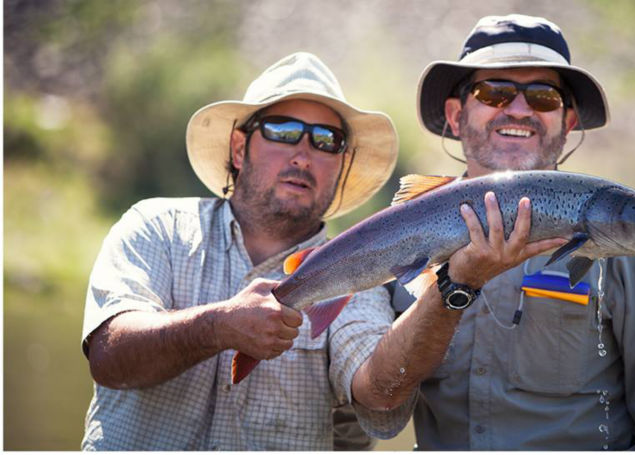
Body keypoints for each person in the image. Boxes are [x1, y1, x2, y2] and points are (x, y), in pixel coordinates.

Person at [385, 14, 635, 450]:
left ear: (566, 123)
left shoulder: (621, 244)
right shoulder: (398, 233)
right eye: (494, 92)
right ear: (455, 115)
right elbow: (370, 408)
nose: (520, 109)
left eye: (544, 97)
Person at [80, 52, 412, 450]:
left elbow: (380, 395)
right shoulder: (156, 226)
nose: (303, 155)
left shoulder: (363, 275)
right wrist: (216, 325)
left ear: (340, 166)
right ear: (239, 149)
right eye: (283, 130)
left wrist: (454, 288)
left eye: (327, 140)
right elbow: (109, 360)